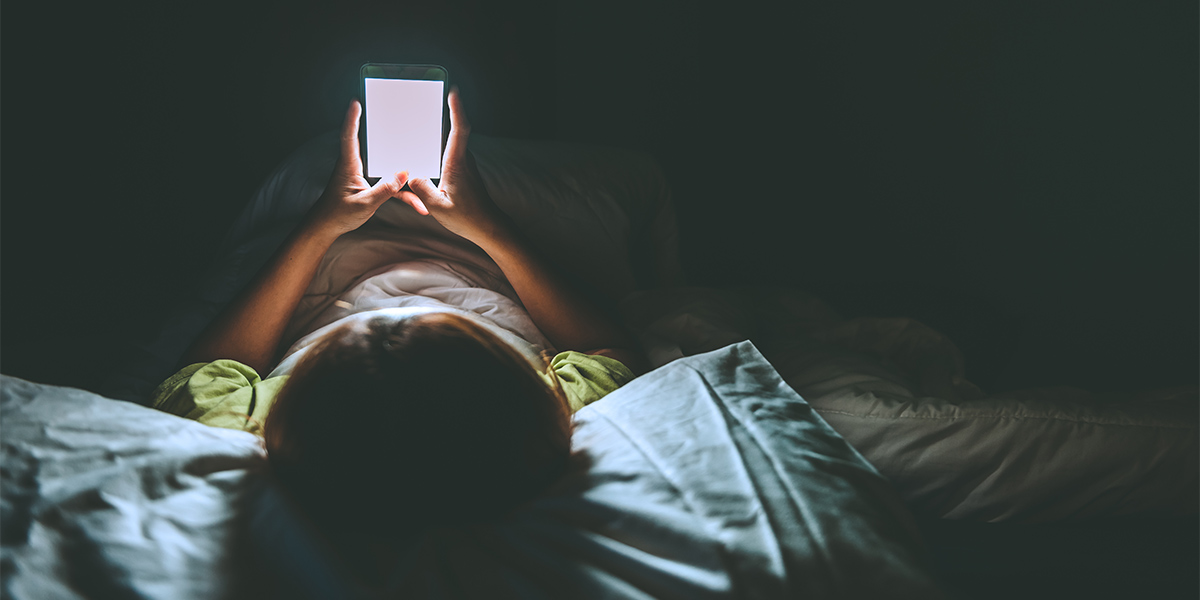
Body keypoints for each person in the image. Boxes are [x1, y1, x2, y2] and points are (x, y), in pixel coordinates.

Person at [150, 88, 647, 573]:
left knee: (309, 163)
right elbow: (610, 348)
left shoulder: (252, 421)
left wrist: (320, 224)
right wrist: (487, 224)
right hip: (480, 252)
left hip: (327, 256)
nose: (397, 325)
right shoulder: (539, 402)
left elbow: (204, 370)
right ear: (507, 385)